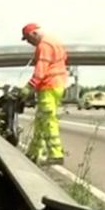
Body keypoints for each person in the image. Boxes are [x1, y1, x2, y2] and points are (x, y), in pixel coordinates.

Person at [20, 23, 68, 165]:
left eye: (28, 39)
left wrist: (29, 87)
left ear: (34, 34)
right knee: (40, 120)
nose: (29, 43)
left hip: (49, 85)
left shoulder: (44, 45)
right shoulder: (56, 41)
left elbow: (41, 70)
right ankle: (33, 153)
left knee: (47, 119)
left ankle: (56, 155)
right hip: (58, 84)